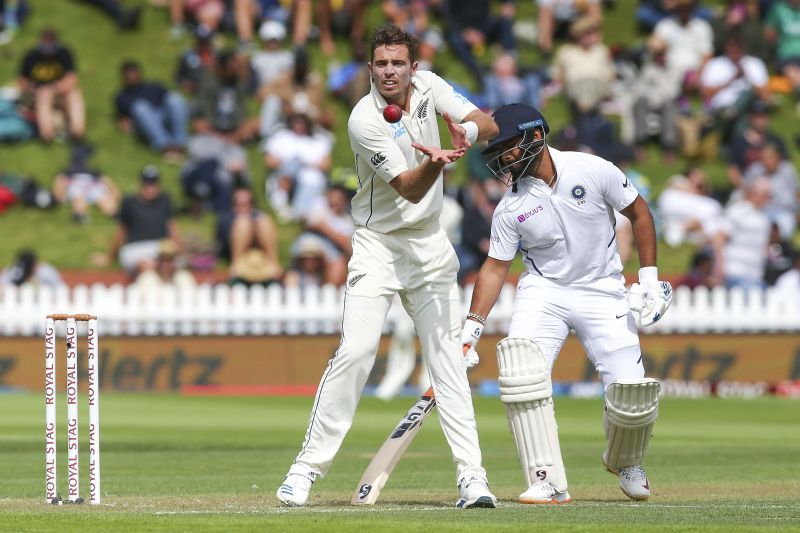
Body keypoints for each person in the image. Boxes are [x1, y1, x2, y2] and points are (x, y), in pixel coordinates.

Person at [276, 24, 500, 509]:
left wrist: (470, 130)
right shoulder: (363, 119)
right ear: (371, 68)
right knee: (356, 352)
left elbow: (488, 121)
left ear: (412, 66)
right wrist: (438, 162)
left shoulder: (430, 85)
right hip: (378, 246)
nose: (390, 71)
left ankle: (473, 479)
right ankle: (305, 471)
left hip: (430, 247)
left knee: (448, 362)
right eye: (381, 64)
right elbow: (409, 187)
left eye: (398, 62)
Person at [461, 103, 671, 504]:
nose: (502, 157)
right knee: (522, 372)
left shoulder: (591, 169)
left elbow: (639, 213)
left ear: (535, 137)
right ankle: (546, 478)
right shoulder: (511, 207)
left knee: (633, 393)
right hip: (545, 290)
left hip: (603, 287)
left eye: (508, 146)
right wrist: (472, 326)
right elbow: (494, 268)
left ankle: (625, 461)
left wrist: (649, 278)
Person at [95, 166, 182, 277]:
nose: (150, 188)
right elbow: (121, 231)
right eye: (147, 184)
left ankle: (156, 277)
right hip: (135, 249)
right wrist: (109, 257)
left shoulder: (165, 201)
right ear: (141, 184)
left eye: (153, 184)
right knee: (146, 265)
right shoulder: (129, 202)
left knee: (170, 261)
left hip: (160, 248)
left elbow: (173, 229)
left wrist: (180, 251)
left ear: (158, 185)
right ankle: (152, 277)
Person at [18, 28, 85, 142]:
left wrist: (55, 88)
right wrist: (32, 89)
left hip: (59, 93)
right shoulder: (31, 56)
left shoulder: (64, 54)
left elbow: (72, 79)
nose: (48, 44)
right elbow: (22, 80)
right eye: (46, 41)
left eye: (51, 41)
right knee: (44, 94)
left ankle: (77, 132)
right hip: (36, 95)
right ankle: (46, 134)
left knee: (74, 94)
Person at [115, 60, 189, 159]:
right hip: (144, 125)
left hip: (163, 117)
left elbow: (172, 104)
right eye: (128, 73)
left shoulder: (154, 86)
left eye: (133, 72)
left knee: (175, 98)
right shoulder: (122, 96)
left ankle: (180, 143)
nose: (131, 76)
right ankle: (166, 146)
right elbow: (122, 118)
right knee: (140, 107)